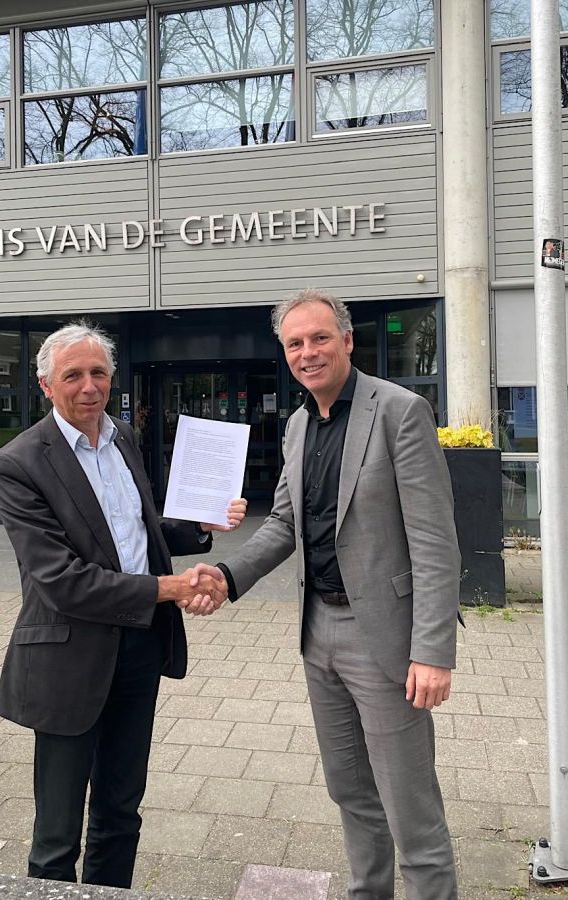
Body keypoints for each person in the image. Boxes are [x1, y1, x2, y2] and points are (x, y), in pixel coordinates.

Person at [185, 290, 462, 899]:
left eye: (319, 338)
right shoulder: (298, 424)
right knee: (351, 792)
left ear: (347, 340)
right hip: (319, 635)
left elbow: (436, 542)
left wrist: (433, 651)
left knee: (410, 808)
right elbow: (285, 523)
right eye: (294, 343)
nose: (307, 352)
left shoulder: (400, 412)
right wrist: (227, 576)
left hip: (386, 639)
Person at [0, 321, 245, 888]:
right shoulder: (18, 463)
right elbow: (62, 581)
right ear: (45, 385)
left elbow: (135, 532)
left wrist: (199, 526)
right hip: (69, 659)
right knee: (57, 836)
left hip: (138, 648)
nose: (89, 386)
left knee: (121, 813)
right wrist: (169, 589)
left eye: (99, 373)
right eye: (73, 375)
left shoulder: (123, 437)